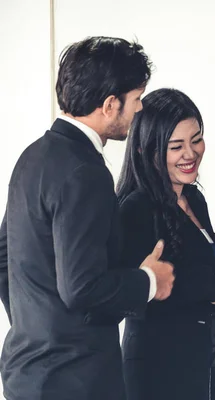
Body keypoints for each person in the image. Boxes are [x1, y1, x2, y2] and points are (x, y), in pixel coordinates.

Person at [0, 37, 175, 400]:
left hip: (27, 376)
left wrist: (37, 328)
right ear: (111, 105)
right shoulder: (86, 171)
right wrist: (148, 281)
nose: (140, 108)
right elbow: (82, 287)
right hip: (76, 381)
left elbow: (3, 259)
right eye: (137, 98)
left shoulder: (32, 157)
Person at [116, 88, 215, 400]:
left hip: (205, 366)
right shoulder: (136, 208)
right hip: (159, 372)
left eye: (196, 139)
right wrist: (206, 286)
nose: (191, 153)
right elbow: (133, 291)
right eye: (176, 146)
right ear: (146, 151)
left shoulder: (194, 198)